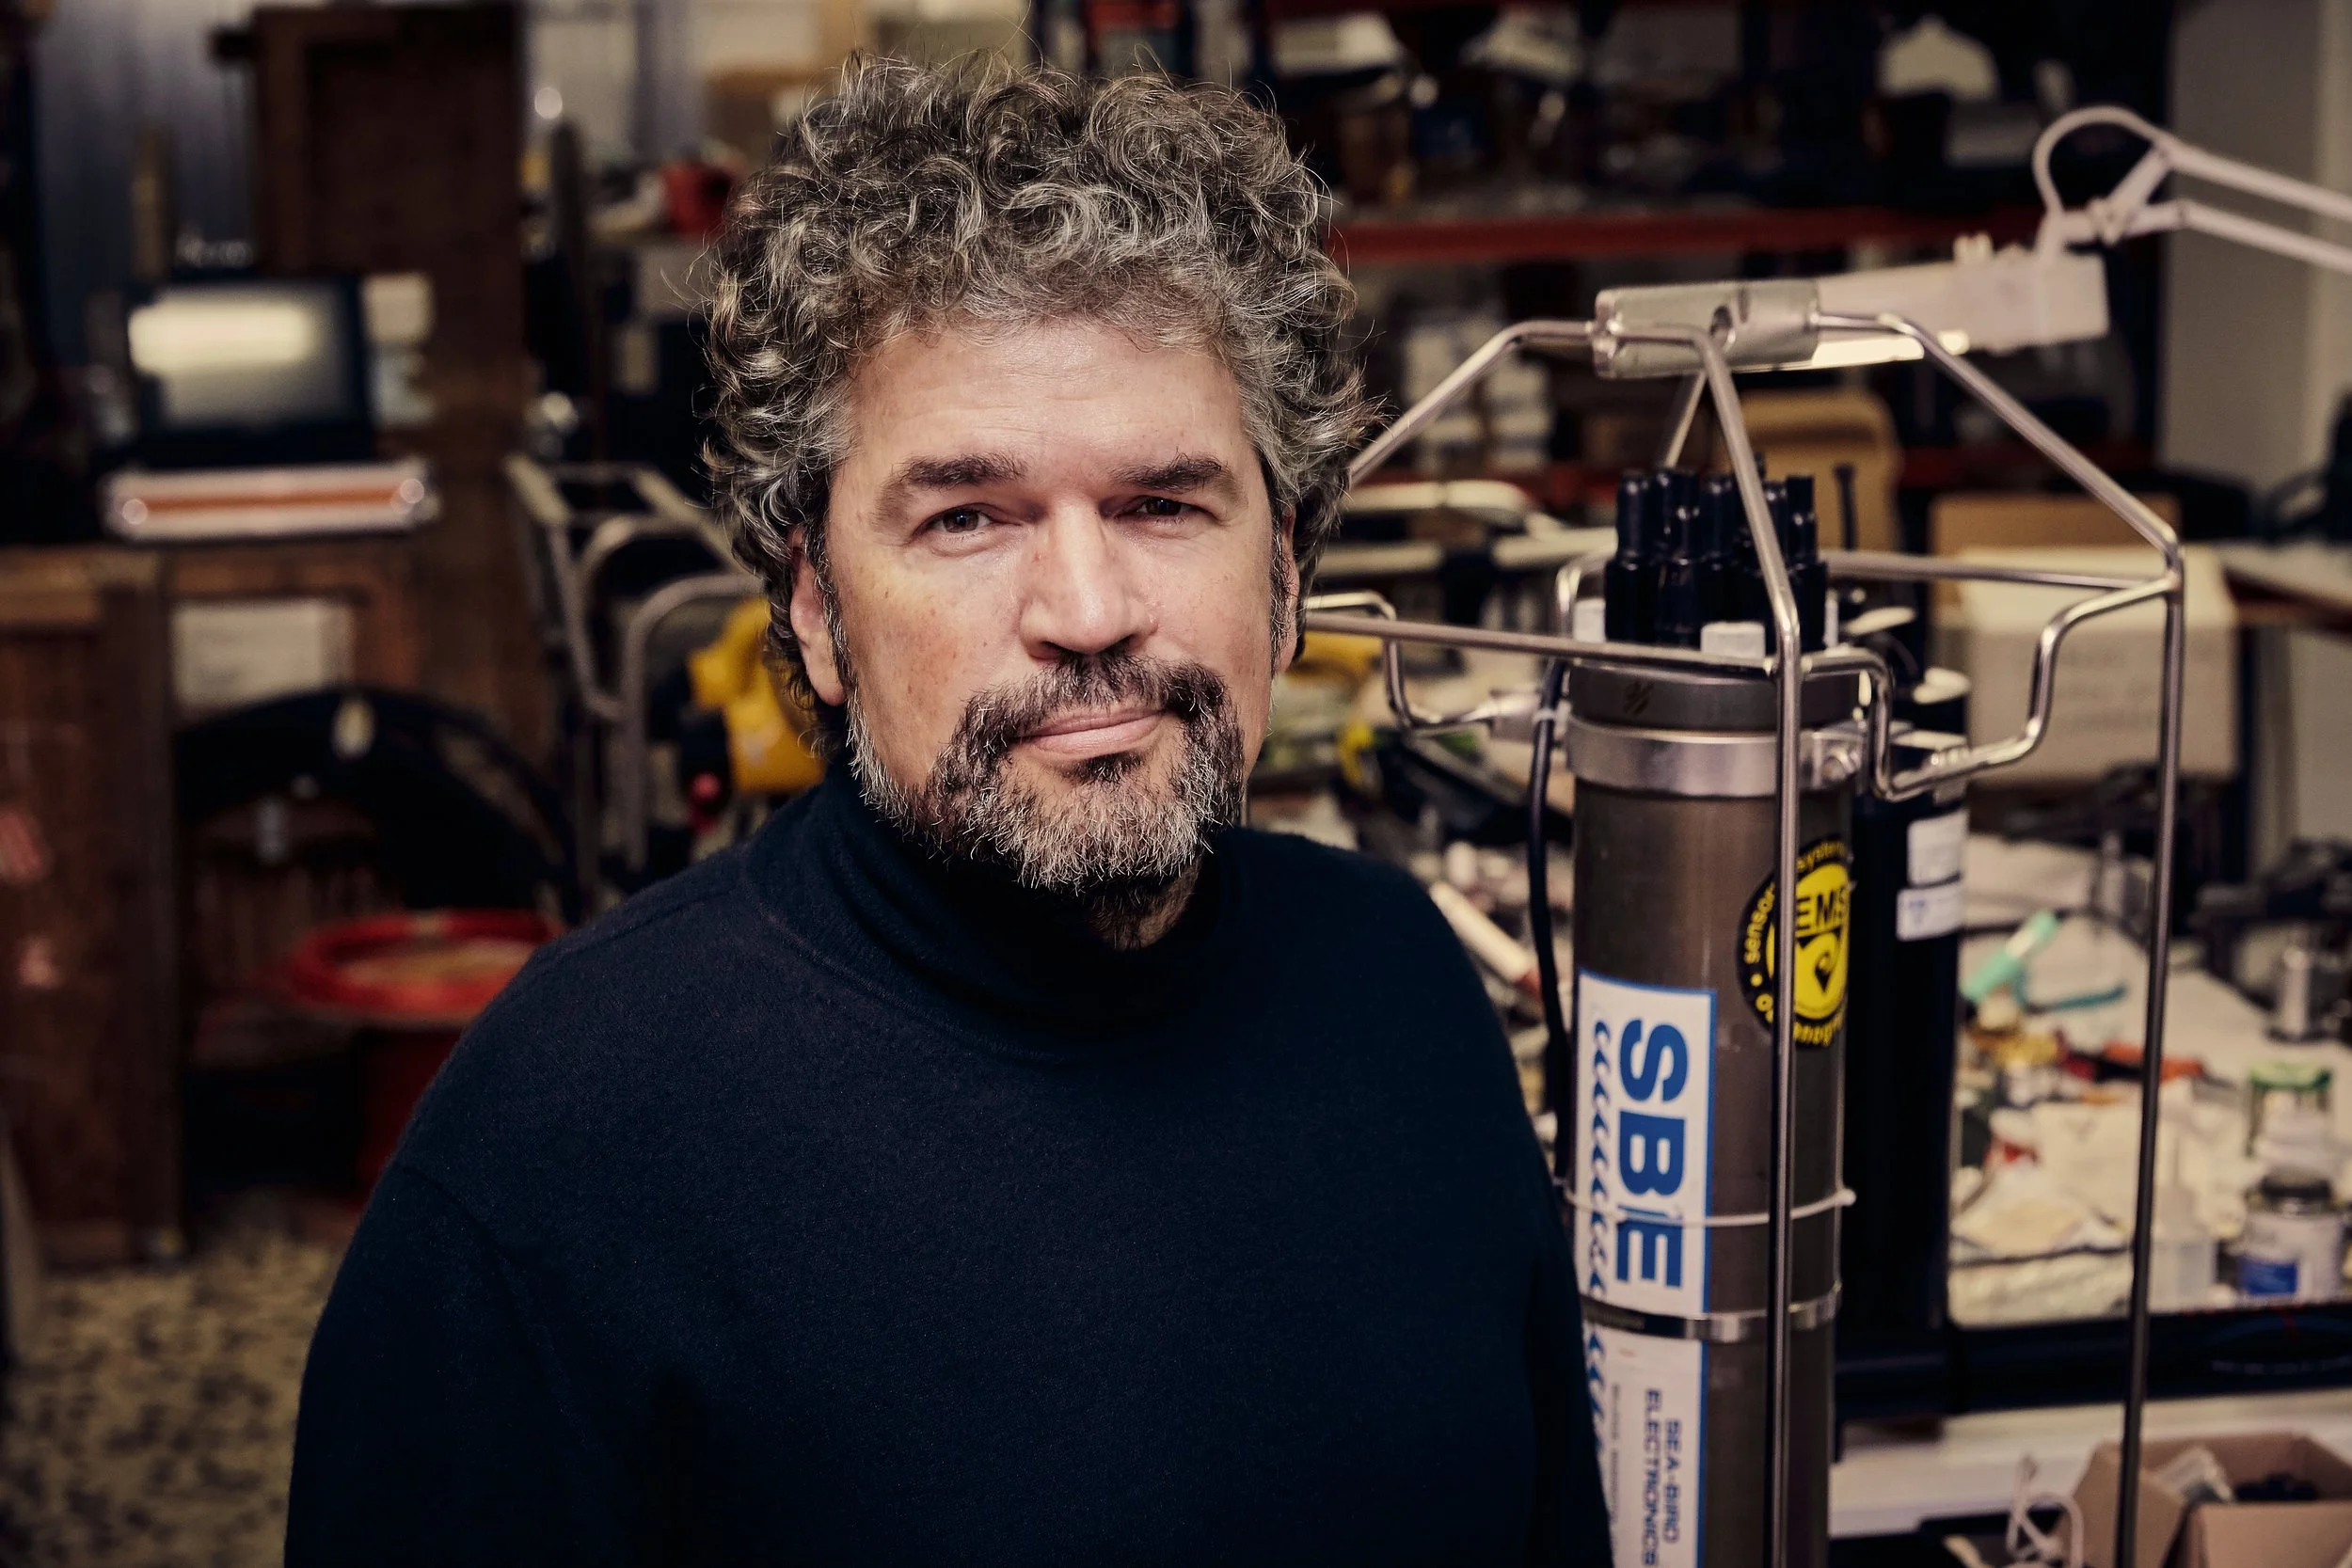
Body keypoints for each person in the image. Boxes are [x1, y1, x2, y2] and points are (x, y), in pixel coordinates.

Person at [287, 56, 1609, 1566]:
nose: (1089, 610)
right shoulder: (561, 1148)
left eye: (1163, 504)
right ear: (817, 609)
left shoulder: (1402, 983)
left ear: (1287, 568)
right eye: (967, 517)